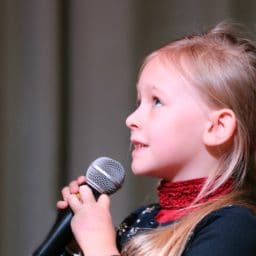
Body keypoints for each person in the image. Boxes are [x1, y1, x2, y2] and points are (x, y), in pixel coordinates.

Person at [57, 21, 256, 256]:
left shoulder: (235, 227)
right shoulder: (141, 219)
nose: (131, 119)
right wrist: (76, 243)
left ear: (217, 127)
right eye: (138, 102)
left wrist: (99, 246)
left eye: (157, 101)